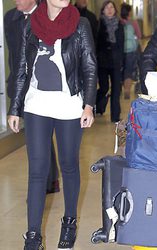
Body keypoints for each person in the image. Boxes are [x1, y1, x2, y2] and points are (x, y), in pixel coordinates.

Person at [7, 0, 97, 249]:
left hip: (69, 105)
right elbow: (21, 68)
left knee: (68, 165)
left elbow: (89, 65)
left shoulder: (80, 24)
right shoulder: (30, 25)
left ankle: (69, 221)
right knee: (37, 171)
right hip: (36, 104)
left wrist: (88, 104)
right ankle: (33, 236)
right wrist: (15, 108)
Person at [4, 0, 60, 194]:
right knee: (36, 137)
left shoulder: (48, 15)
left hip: (43, 85)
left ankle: (48, 180)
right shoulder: (10, 18)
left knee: (42, 135)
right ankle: (47, 180)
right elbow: (13, 55)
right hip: (21, 86)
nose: (16, 0)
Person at [95, 0, 124, 122]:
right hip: (102, 61)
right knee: (104, 88)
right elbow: (95, 43)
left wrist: (123, 61)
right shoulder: (99, 24)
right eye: (107, 8)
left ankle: (115, 116)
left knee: (116, 89)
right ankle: (91, 105)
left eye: (111, 7)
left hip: (116, 61)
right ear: (103, 10)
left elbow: (122, 44)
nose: (109, 9)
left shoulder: (120, 24)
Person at [120, 2, 142, 99]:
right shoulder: (133, 22)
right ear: (129, 12)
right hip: (131, 50)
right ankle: (127, 90)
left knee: (121, 70)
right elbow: (139, 35)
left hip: (120, 50)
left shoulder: (118, 22)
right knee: (129, 70)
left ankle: (120, 88)